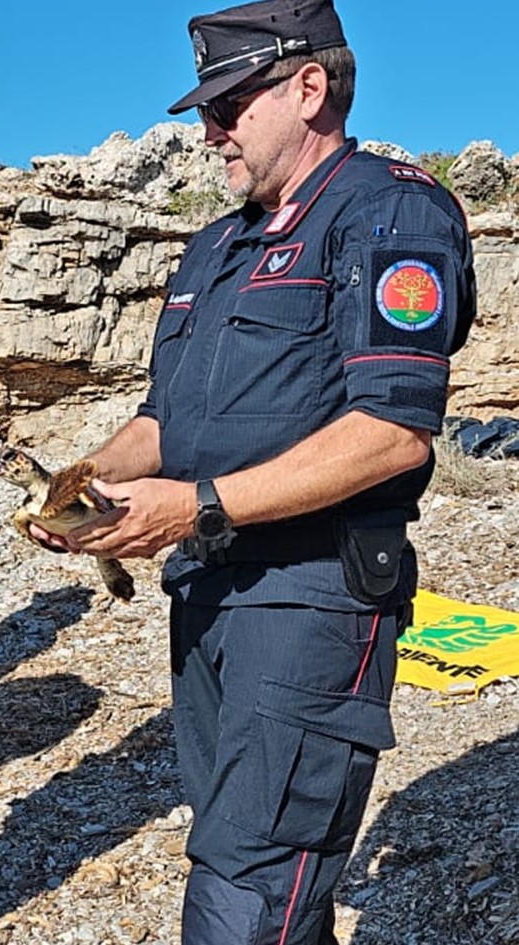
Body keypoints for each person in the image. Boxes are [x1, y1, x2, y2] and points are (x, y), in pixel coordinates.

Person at [33, 2, 477, 942]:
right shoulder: (217, 245)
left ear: (309, 88)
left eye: (229, 106)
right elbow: (165, 420)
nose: (210, 131)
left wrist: (197, 506)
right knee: (251, 864)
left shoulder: (390, 211)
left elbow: (393, 433)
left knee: (248, 884)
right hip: (207, 589)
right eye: (207, 109)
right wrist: (80, 482)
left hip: (309, 597)